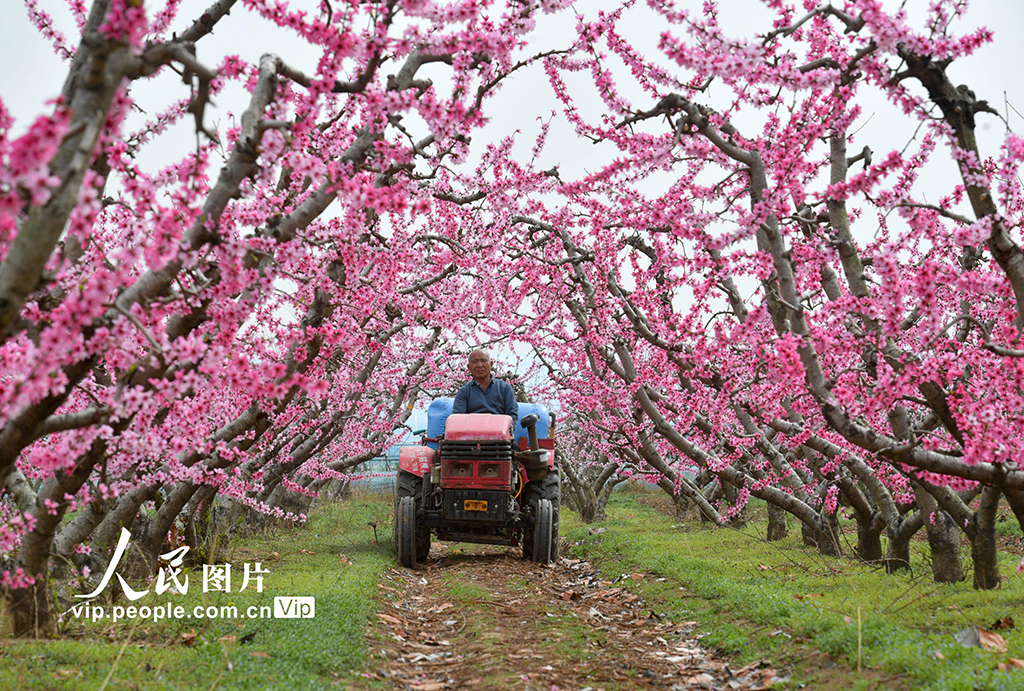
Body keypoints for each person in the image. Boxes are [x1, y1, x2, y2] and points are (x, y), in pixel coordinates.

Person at [451, 348, 519, 431]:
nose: (480, 365)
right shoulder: (464, 392)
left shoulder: (505, 388)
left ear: (491, 364)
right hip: (471, 437)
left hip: (500, 436)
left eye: (483, 360)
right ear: (469, 367)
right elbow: (458, 419)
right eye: (475, 361)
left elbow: (512, 415)